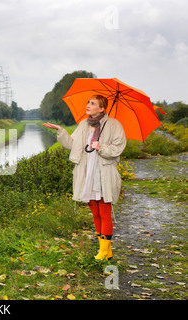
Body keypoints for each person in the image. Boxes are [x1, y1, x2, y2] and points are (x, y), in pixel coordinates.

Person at [43, 95, 126, 260]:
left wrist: (101, 147)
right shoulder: (83, 124)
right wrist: (61, 131)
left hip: (104, 172)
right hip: (87, 173)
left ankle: (104, 251)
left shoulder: (114, 125)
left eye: (92, 103)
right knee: (94, 210)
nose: (88, 105)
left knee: (104, 210)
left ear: (102, 108)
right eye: (88, 102)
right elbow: (72, 145)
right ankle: (105, 250)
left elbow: (119, 148)